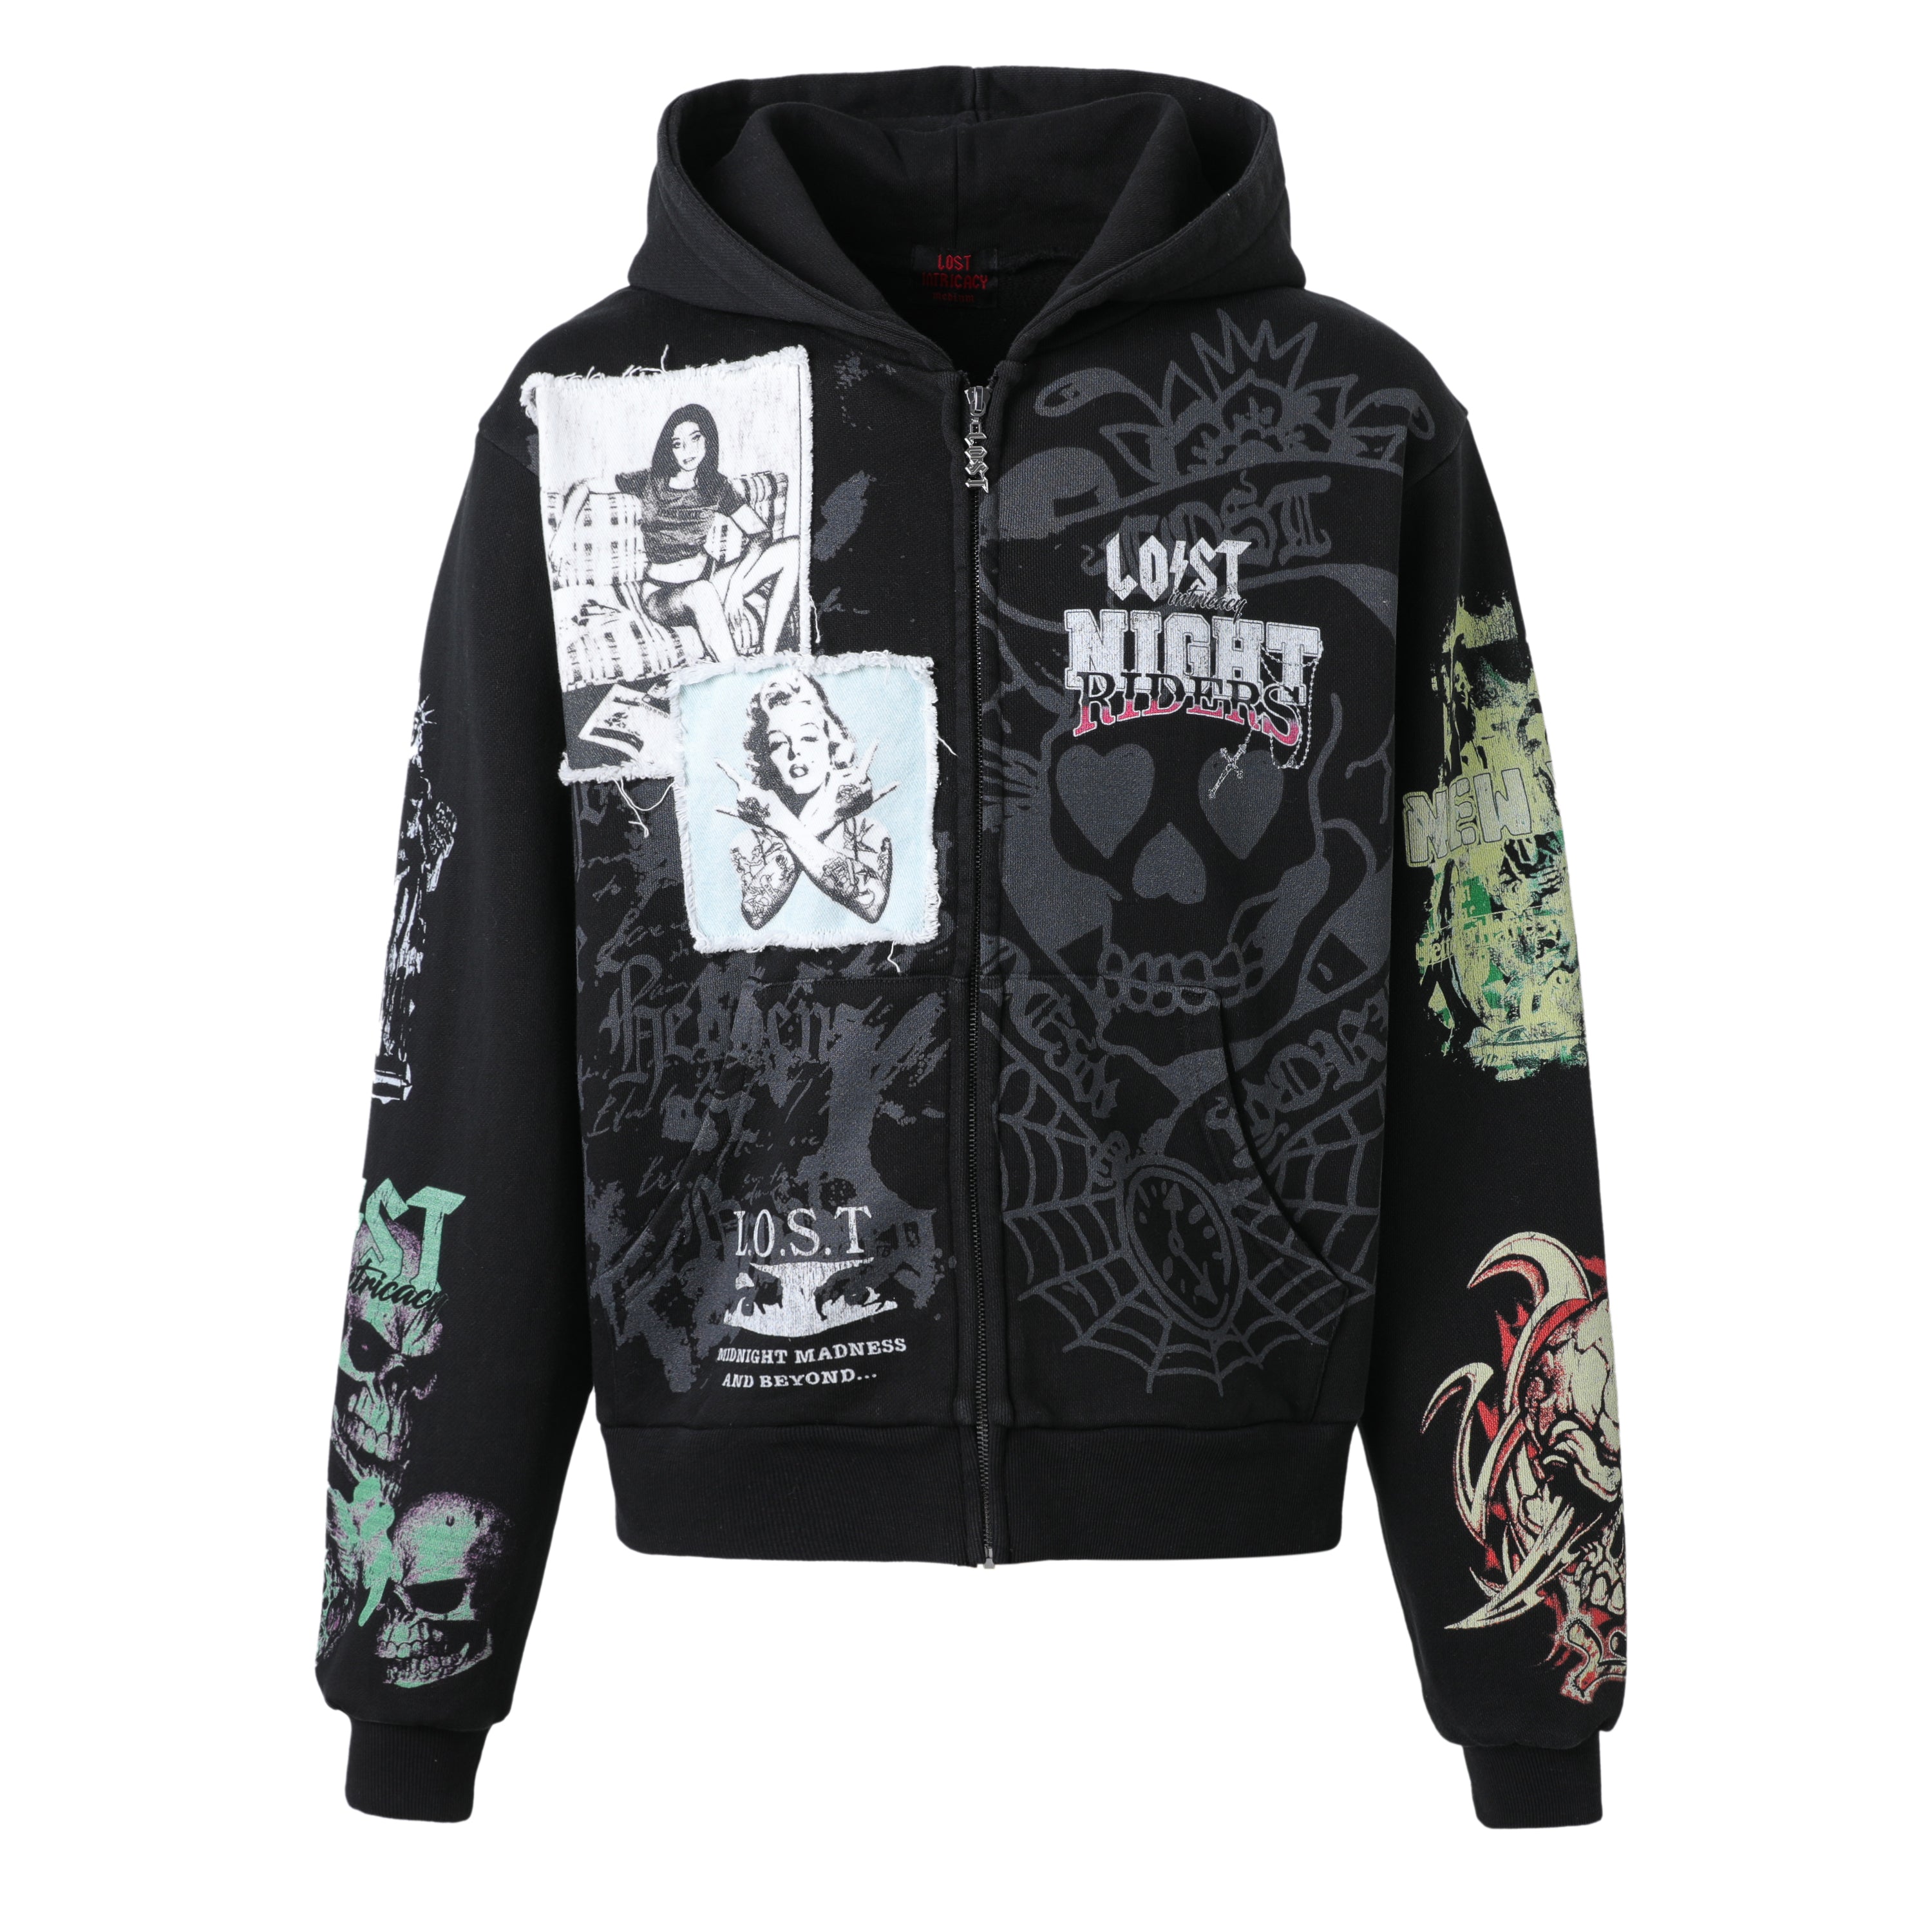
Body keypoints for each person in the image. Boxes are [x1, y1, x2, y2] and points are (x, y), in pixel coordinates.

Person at [614, 404, 800, 660]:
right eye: (678, 444)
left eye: (695, 439)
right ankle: (741, 677)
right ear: (669, 449)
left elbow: (760, 533)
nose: (687, 451)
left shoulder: (715, 486)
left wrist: (736, 583)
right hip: (663, 594)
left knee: (794, 548)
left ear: (707, 440)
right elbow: (586, 487)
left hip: (711, 580)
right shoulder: (649, 481)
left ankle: (767, 660)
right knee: (701, 591)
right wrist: (565, 530)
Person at [718, 667, 893, 928]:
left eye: (809, 737)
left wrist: (783, 822)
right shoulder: (747, 843)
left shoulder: (868, 832)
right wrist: (827, 818)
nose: (795, 752)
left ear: (832, 745)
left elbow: (873, 905)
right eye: (778, 743)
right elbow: (755, 913)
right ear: (766, 758)